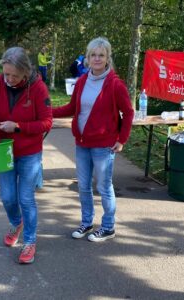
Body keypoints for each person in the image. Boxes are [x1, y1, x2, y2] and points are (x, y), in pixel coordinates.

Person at [53, 37, 134, 242]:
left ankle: (108, 227)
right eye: (93, 55)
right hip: (82, 143)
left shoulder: (115, 85)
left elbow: (129, 112)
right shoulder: (81, 81)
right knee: (83, 186)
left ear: (107, 58)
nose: (97, 59)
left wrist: (122, 139)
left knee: (104, 187)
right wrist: (47, 112)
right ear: (87, 59)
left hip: (103, 145)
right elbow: (71, 108)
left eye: (101, 55)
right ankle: (87, 223)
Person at [0, 47, 52, 263]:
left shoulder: (39, 88)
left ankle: (29, 242)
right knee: (7, 197)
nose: (9, 79)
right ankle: (16, 222)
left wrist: (19, 127)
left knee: (26, 198)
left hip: (29, 152)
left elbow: (47, 122)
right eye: (6, 74)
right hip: (3, 150)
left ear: (25, 72)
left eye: (14, 75)